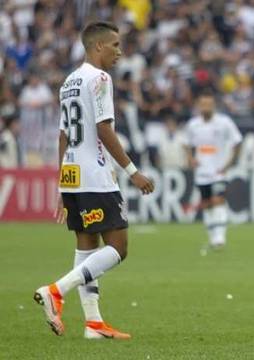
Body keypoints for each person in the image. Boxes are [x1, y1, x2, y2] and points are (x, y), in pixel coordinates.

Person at [33, 21, 154, 339]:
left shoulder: (69, 81)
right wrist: (133, 171)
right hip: (95, 175)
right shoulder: (100, 78)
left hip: (73, 175)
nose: (119, 51)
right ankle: (56, 290)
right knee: (118, 247)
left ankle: (93, 323)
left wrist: (62, 182)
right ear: (98, 46)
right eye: (114, 44)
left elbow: (62, 134)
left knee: (86, 246)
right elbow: (104, 128)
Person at [185, 92, 242, 249]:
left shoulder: (224, 122)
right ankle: (212, 236)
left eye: (208, 104)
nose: (206, 107)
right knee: (206, 204)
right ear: (198, 106)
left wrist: (229, 163)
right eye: (203, 104)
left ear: (214, 106)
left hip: (219, 171)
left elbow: (237, 141)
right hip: (202, 172)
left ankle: (220, 237)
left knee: (218, 200)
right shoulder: (193, 125)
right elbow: (186, 144)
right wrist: (190, 158)